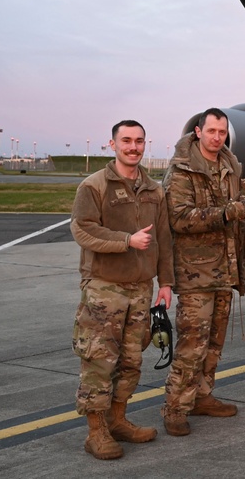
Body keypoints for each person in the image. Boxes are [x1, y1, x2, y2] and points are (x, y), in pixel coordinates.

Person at [70, 120, 174, 460]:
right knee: (99, 361)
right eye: (126, 140)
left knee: (131, 360)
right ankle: (96, 432)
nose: (133, 147)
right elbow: (83, 231)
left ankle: (117, 420)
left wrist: (166, 282)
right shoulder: (94, 186)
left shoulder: (154, 189)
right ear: (112, 144)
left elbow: (163, 239)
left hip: (141, 290)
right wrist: (126, 241)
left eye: (139, 141)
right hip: (105, 289)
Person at [161, 108, 245, 435]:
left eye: (222, 132)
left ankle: (202, 396)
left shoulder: (229, 166)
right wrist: (226, 213)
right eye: (212, 131)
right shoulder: (181, 172)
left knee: (215, 342)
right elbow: (180, 218)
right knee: (192, 344)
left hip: (224, 270)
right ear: (198, 131)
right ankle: (175, 407)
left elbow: (238, 219)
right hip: (195, 274)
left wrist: (243, 263)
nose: (217, 137)